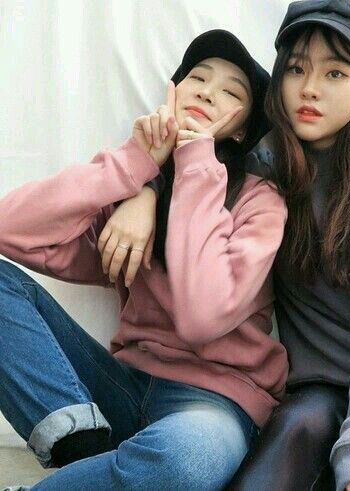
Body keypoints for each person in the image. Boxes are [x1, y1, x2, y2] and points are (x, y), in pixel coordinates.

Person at [97, 2, 350, 490]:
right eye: (296, 69)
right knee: (291, 435)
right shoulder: (261, 173)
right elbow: (196, 171)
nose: (310, 88)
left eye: (335, 73)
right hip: (323, 397)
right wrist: (143, 191)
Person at [0, 29, 288, 490]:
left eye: (231, 92)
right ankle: (81, 447)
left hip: (211, 405)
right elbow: (10, 229)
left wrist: (193, 157)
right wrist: (136, 166)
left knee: (185, 462)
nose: (207, 93)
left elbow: (200, 317)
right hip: (121, 388)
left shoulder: (262, 202)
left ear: (241, 129)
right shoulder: (133, 192)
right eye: (198, 78)